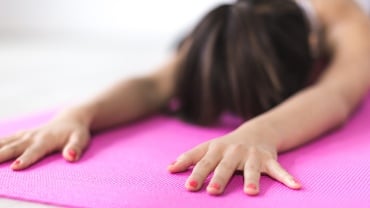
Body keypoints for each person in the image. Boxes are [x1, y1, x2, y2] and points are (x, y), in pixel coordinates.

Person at [1, 0, 369, 196]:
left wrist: (258, 133)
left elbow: (335, 94)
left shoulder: (345, 22)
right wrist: (78, 114)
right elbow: (152, 86)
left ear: (313, 50)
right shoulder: (232, 27)